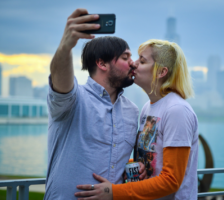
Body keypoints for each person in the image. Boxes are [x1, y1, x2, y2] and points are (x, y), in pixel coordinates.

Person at [75, 39, 199, 200]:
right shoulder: (148, 107)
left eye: (142, 61)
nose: (133, 64)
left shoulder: (177, 111)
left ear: (161, 72)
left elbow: (171, 180)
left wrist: (113, 192)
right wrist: (136, 165)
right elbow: (155, 158)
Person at [44, 8, 146, 200]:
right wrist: (66, 46)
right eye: (125, 57)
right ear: (102, 63)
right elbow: (60, 79)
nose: (133, 63)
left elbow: (115, 157)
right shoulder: (74, 99)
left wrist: (135, 166)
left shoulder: (132, 111)